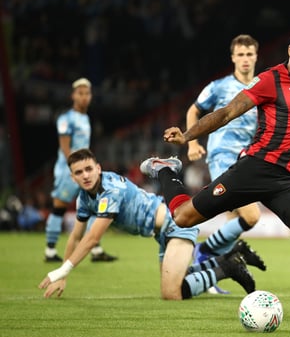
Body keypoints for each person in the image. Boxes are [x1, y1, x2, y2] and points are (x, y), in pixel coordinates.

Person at [140, 28, 290, 329]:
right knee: (183, 217)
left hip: (288, 181)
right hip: (255, 170)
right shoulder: (270, 80)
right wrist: (188, 135)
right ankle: (165, 169)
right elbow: (228, 111)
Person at [38, 149, 259, 300]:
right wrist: (63, 275)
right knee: (179, 281)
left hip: (175, 226)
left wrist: (60, 270)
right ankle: (230, 258)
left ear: (98, 168)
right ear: (72, 176)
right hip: (161, 235)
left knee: (172, 293)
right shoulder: (85, 198)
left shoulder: (110, 190)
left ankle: (228, 268)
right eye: (79, 172)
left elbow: (92, 238)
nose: (85, 175)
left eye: (88, 169)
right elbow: (76, 236)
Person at [185, 35, 266, 291]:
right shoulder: (219, 86)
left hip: (247, 158)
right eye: (240, 54)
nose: (245, 59)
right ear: (233, 57)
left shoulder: (262, 85)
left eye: (249, 54)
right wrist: (192, 143)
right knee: (251, 215)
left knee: (235, 215)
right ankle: (205, 251)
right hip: (222, 154)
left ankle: (211, 267)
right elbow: (193, 110)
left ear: (256, 56)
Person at [44, 78, 116, 263]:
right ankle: (50, 250)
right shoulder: (65, 118)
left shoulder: (85, 118)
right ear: (73, 95)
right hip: (67, 170)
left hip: (83, 169)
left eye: (87, 93)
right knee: (59, 207)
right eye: (80, 93)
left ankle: (96, 249)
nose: (84, 97)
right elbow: (65, 147)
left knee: (94, 207)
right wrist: (74, 169)